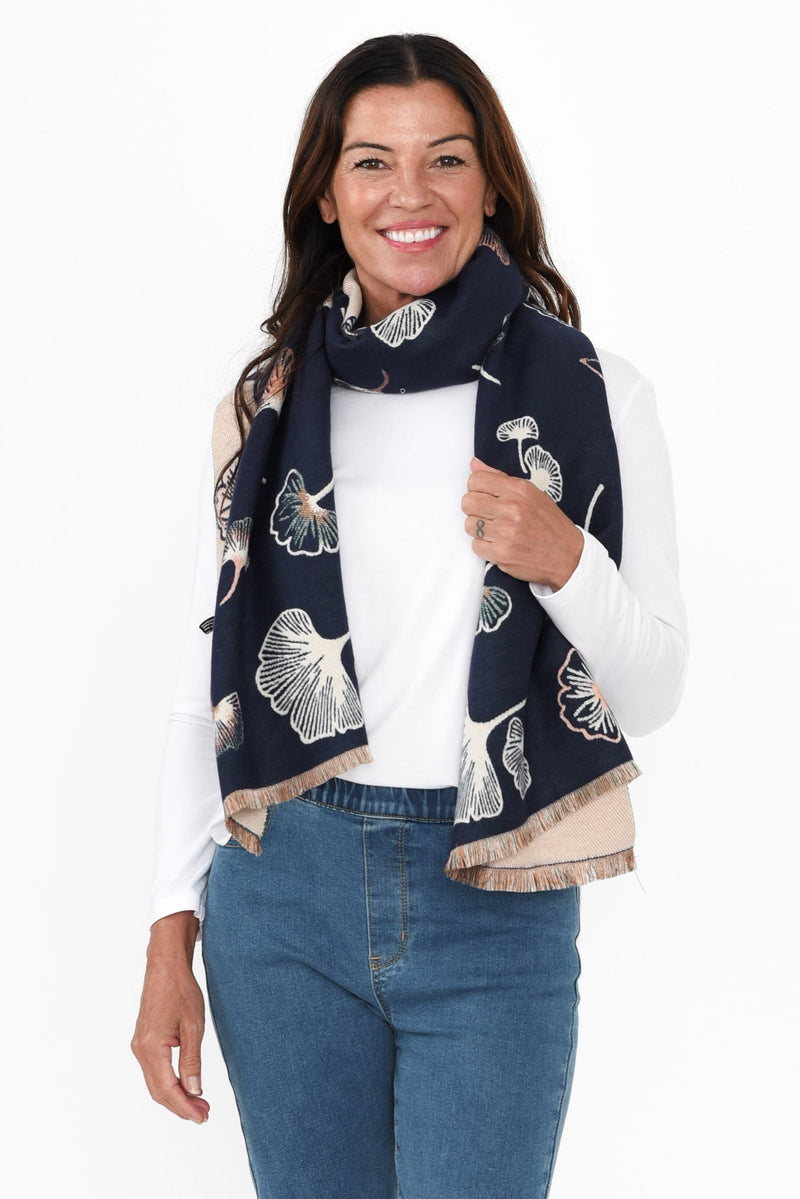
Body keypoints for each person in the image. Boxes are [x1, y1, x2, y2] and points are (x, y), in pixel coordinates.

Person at [132, 32, 687, 1199]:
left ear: (490, 183)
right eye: (371, 162)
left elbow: (650, 692)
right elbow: (205, 687)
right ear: (326, 195)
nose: (410, 194)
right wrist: (169, 927)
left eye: (445, 158)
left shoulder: (596, 392)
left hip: (493, 887)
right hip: (283, 886)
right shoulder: (264, 404)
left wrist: (565, 560)